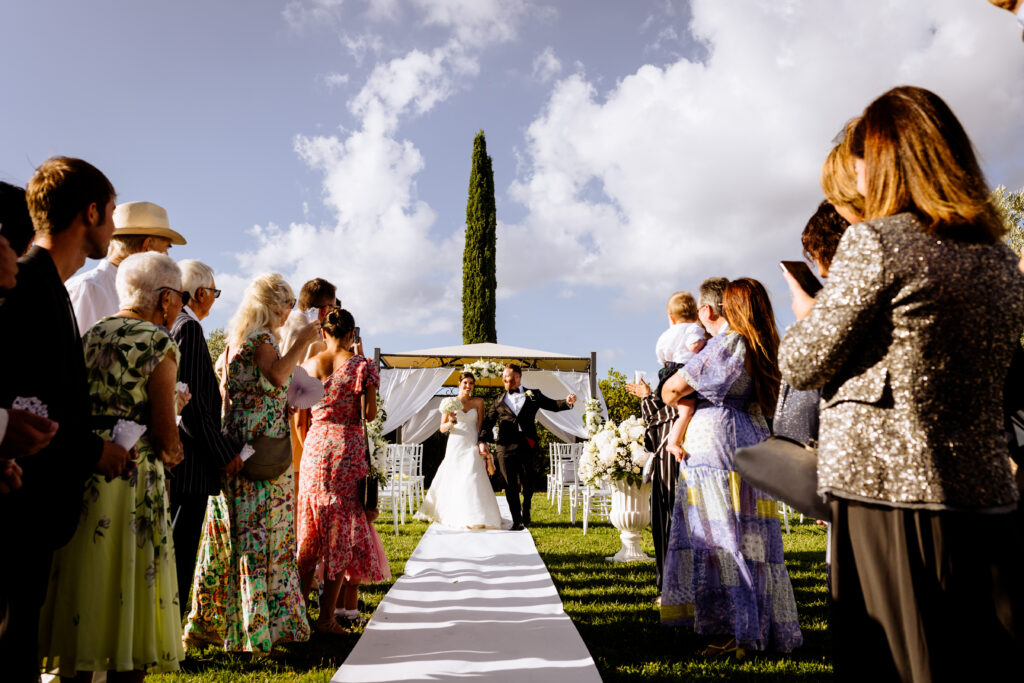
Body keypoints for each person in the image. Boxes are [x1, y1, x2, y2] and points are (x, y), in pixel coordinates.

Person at [780, 86, 1024, 681]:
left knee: (890, 662)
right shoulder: (997, 257)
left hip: (884, 493)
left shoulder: (877, 242)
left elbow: (801, 364)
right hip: (983, 492)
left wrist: (809, 317)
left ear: (891, 158)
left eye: (863, 152)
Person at [0, 157, 131, 679]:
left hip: (41, 508)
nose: (115, 228)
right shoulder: (26, 287)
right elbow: (24, 404)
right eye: (113, 213)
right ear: (91, 211)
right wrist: (95, 450)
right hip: (18, 505)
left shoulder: (52, 287)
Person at [38, 252, 187, 679]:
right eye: (177, 296)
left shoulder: (92, 334)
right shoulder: (159, 341)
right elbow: (163, 434)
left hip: (89, 469)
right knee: (131, 587)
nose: (179, 304)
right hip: (134, 477)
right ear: (163, 299)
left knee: (89, 582)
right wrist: (175, 450)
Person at [660, 278, 802, 657]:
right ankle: (760, 625)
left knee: (723, 538)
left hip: (717, 446)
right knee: (754, 539)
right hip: (753, 441)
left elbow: (673, 389)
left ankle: (738, 631)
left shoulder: (728, 343)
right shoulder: (763, 345)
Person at [183, 273, 317, 652]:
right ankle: (257, 631)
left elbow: (242, 394)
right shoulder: (262, 340)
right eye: (288, 303)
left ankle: (213, 624)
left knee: (232, 539)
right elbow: (276, 374)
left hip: (236, 451)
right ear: (273, 305)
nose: (291, 310)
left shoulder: (232, 344)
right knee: (262, 540)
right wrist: (303, 341)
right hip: (261, 459)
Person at [297, 308, 390, 633]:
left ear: (324, 333)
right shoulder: (360, 366)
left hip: (315, 447)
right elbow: (368, 413)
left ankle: (296, 616)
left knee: (309, 533)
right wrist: (368, 376)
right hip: (345, 450)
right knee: (340, 531)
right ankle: (326, 619)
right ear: (352, 334)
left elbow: (299, 415)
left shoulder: (310, 365)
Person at [169, 260, 244, 618]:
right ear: (201, 293)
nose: (214, 300)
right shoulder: (189, 330)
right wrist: (222, 455)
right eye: (214, 293)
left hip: (180, 457)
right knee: (179, 550)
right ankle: (169, 637)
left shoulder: (174, 325)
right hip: (190, 463)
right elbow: (193, 406)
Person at [773, 201, 849, 449]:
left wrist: (807, 319)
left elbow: (801, 372)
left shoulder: (845, 305)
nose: (822, 273)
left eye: (816, 255)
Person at [478, 364, 576, 531]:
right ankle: (517, 520)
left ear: (517, 378)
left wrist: (567, 402)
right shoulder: (498, 399)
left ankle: (527, 507)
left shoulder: (534, 395)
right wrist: (482, 441)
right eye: (503, 378)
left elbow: (553, 405)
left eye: (506, 378)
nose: (503, 381)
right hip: (505, 446)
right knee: (509, 484)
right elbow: (488, 422)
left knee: (528, 481)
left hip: (527, 444)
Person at [66, 200, 186, 336]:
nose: (167, 256)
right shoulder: (89, 288)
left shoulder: (95, 287)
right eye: (165, 249)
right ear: (146, 246)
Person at [415, 372, 501, 529]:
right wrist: (450, 422)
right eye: (465, 383)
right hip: (456, 443)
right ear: (459, 384)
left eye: (471, 383)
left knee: (473, 475)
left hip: (472, 442)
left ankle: (476, 514)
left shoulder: (479, 402)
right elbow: (442, 428)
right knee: (456, 477)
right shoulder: (450, 402)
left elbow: (481, 426)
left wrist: (483, 442)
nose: (468, 386)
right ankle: (456, 512)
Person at [279, 277, 339, 501]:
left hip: (272, 416)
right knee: (297, 492)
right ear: (325, 309)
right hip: (298, 421)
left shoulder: (281, 324)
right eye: (333, 307)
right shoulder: (313, 336)